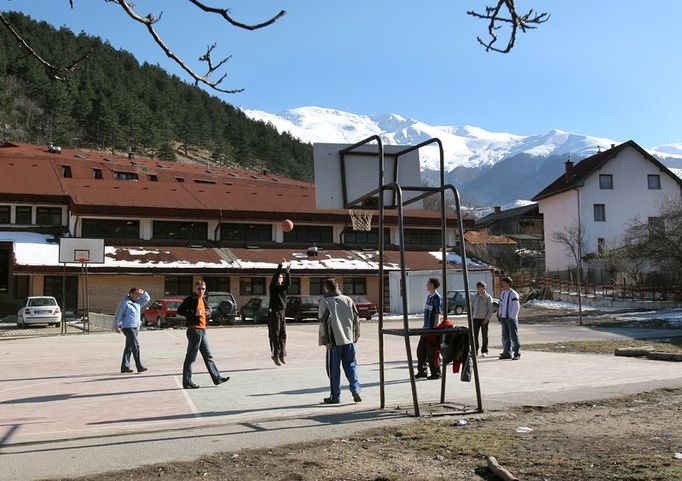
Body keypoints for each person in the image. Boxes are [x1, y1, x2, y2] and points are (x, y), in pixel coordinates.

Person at [177, 280, 230, 389]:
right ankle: (187, 382)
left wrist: (207, 312)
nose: (201, 290)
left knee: (208, 356)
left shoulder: (203, 299)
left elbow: (209, 310)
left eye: (203, 289)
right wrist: (193, 313)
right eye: (199, 288)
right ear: (195, 289)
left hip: (202, 329)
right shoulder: (190, 299)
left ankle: (217, 377)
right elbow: (180, 311)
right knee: (191, 357)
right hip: (194, 330)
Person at [318, 278, 361, 404]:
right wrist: (356, 335)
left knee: (334, 369)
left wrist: (326, 341)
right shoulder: (348, 300)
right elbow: (356, 319)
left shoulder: (325, 302)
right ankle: (355, 389)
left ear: (326, 288)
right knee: (351, 365)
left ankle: (335, 395)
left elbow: (323, 323)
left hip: (334, 341)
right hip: (349, 340)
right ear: (337, 286)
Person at [114, 287, 151, 373]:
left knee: (129, 347)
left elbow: (147, 299)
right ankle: (139, 366)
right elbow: (119, 315)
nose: (137, 296)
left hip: (135, 327)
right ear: (130, 294)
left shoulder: (138, 302)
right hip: (128, 327)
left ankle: (125, 367)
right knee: (135, 346)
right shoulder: (125, 303)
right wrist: (117, 326)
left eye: (138, 295)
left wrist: (143, 292)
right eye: (135, 294)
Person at [416, 277, 442, 380]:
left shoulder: (437, 298)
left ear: (432, 285)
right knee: (420, 351)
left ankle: (436, 373)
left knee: (432, 353)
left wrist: (435, 328)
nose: (426, 285)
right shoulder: (429, 297)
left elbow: (438, 314)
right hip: (425, 328)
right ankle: (422, 371)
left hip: (432, 329)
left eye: (428, 284)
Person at [268, 258, 291, 366]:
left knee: (283, 334)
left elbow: (287, 284)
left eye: (281, 277)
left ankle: (282, 354)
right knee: (275, 334)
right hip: (274, 313)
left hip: (282, 313)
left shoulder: (283, 288)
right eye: (278, 277)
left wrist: (287, 272)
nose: (279, 278)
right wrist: (280, 267)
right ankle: (275, 355)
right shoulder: (273, 287)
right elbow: (274, 279)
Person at [497, 276, 521, 360]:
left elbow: (516, 306)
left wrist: (512, 316)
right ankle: (507, 352)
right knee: (505, 337)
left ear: (508, 284)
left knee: (514, 336)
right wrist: (499, 314)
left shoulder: (513, 293)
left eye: (503, 283)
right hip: (503, 318)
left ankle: (517, 353)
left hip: (511, 319)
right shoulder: (503, 293)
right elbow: (501, 305)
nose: (502, 284)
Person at [472, 281, 495, 357]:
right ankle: (475, 351)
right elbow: (472, 307)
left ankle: (484, 350)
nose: (478, 289)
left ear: (484, 288)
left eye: (479, 287)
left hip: (484, 319)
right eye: (477, 287)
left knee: (484, 335)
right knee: (474, 335)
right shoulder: (475, 296)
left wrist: (487, 319)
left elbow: (490, 309)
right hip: (475, 318)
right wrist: (472, 316)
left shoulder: (488, 297)